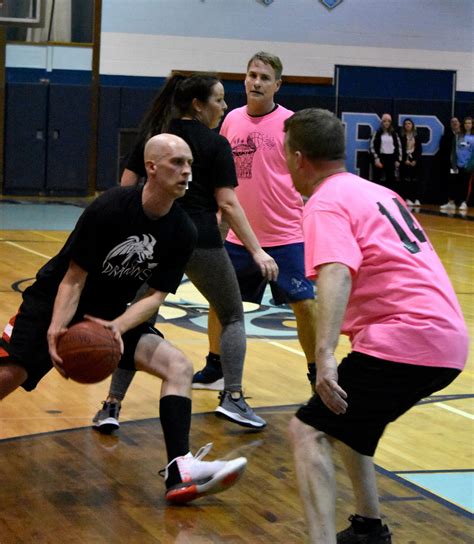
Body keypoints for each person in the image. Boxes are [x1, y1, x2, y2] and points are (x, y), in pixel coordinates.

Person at [0, 134, 247, 505]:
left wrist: (117, 327)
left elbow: (154, 297)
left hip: (112, 315)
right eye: (177, 163)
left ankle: (179, 469)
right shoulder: (110, 208)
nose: (186, 172)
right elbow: (74, 277)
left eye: (190, 164)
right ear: (151, 167)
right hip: (54, 301)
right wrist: (55, 329)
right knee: (11, 373)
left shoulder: (183, 230)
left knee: (178, 366)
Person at [283, 109, 468, 543]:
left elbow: (336, 272)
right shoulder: (376, 191)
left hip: (407, 337)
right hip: (444, 338)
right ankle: (369, 527)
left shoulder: (325, 201)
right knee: (347, 418)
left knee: (308, 430)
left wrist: (325, 355)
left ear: (298, 158)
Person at [93, 73, 278, 433]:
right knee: (233, 316)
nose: (225, 107)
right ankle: (233, 398)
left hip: (152, 239)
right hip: (200, 239)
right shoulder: (214, 144)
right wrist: (257, 251)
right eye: (219, 100)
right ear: (198, 104)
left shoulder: (153, 138)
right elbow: (228, 202)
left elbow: (126, 189)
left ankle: (112, 405)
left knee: (138, 319)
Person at [193, 51, 318, 393]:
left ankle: (316, 373)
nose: (256, 82)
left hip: (286, 236)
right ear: (244, 79)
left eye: (264, 77)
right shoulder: (231, 119)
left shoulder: (293, 124)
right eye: (252, 75)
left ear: (278, 84)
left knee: (305, 305)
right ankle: (215, 366)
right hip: (238, 238)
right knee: (220, 303)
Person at [370, 113, 402, 191]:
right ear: (382, 122)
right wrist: (376, 159)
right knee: (377, 179)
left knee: (391, 180)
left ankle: (390, 199)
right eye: (384, 121)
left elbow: (399, 147)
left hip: (391, 158)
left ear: (391, 122)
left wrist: (398, 159)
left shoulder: (394, 134)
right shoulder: (377, 133)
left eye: (388, 121)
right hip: (381, 158)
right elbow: (372, 147)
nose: (386, 123)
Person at [439, 117, 461, 212]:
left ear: (460, 123)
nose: (455, 123)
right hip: (452, 163)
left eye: (456, 121)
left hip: (463, 163)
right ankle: (450, 202)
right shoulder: (447, 135)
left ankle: (461, 202)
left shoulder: (464, 135)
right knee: (451, 181)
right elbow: (443, 149)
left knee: (462, 183)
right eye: (452, 122)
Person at [399, 118, 422, 207]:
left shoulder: (416, 136)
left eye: (409, 123)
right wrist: (405, 160)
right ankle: (407, 198)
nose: (408, 125)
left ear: (412, 125)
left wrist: (415, 160)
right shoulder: (402, 136)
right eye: (406, 124)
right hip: (405, 161)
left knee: (415, 180)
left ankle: (416, 198)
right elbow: (400, 148)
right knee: (406, 180)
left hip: (415, 161)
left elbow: (419, 150)